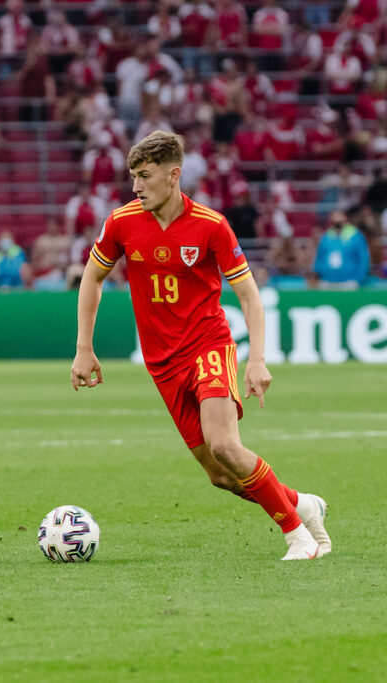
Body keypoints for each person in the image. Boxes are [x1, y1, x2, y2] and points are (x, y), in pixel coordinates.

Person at [70, 131, 331, 561]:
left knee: (225, 444)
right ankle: (302, 504)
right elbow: (92, 278)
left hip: (208, 347)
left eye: (145, 176)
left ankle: (298, 537)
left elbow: (249, 295)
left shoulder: (211, 226)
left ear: (173, 175)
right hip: (163, 364)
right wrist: (84, 347)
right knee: (221, 476)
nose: (136, 186)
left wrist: (257, 360)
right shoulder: (121, 222)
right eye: (133, 176)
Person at [312, 210, 371, 289]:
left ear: (345, 218)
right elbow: (320, 256)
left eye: (339, 218)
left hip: (349, 281)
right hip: (327, 280)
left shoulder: (355, 236)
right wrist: (317, 273)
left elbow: (363, 258)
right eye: (334, 219)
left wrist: (359, 278)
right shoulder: (326, 236)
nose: (336, 221)